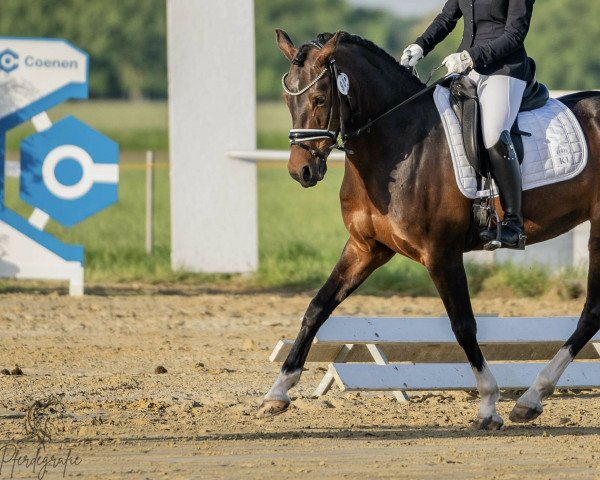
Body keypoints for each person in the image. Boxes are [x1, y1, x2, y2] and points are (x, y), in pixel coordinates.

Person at [401, 0, 536, 249]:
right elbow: (446, 18)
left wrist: (471, 56)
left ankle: (513, 224)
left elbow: (515, 33)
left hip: (503, 69)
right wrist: (420, 45)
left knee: (494, 134)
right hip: (467, 68)